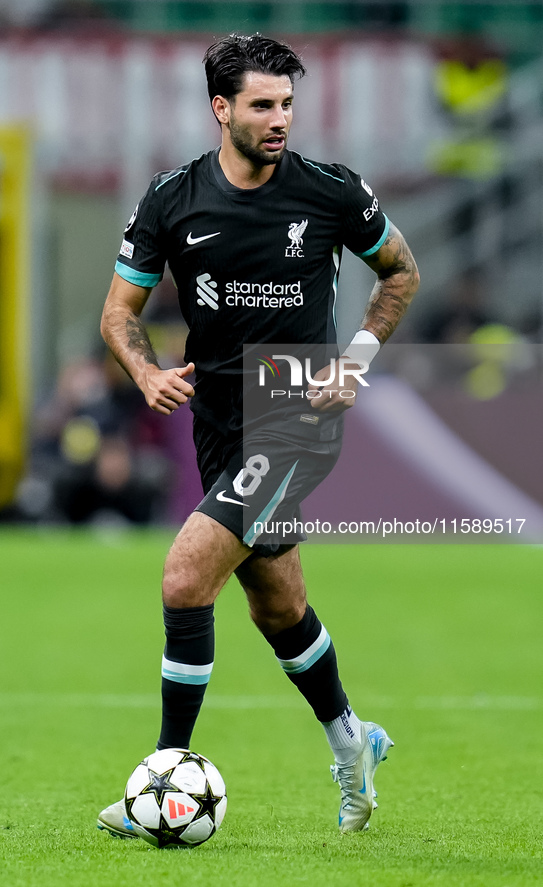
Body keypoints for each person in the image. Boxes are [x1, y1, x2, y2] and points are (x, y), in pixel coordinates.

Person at [97, 33, 419, 837]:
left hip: (294, 411)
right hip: (216, 414)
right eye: (262, 106)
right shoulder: (172, 200)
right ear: (221, 109)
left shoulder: (330, 193)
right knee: (278, 606)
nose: (280, 120)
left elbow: (401, 271)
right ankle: (354, 742)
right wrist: (145, 373)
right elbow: (118, 312)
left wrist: (357, 359)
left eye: (286, 105)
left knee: (183, 578)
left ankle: (163, 778)